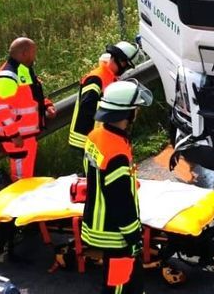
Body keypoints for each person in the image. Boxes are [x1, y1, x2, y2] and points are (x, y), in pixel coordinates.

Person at [82, 80, 153, 294]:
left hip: (96, 221)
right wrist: (133, 236)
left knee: (122, 280)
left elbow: (96, 176)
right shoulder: (117, 152)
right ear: (127, 113)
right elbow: (120, 201)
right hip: (114, 231)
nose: (137, 111)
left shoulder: (96, 135)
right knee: (119, 284)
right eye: (136, 108)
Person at [0, 37, 55, 182]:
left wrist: (47, 105)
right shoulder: (7, 76)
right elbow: (1, 109)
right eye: (33, 52)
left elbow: (33, 95)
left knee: (26, 175)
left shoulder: (23, 70)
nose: (35, 56)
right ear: (24, 53)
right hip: (16, 137)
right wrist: (13, 134)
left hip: (25, 135)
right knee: (21, 178)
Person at [68, 41, 140, 151]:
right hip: (84, 138)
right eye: (126, 65)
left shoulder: (111, 78)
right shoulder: (96, 77)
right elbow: (87, 106)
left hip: (97, 137)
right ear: (121, 61)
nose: (125, 69)